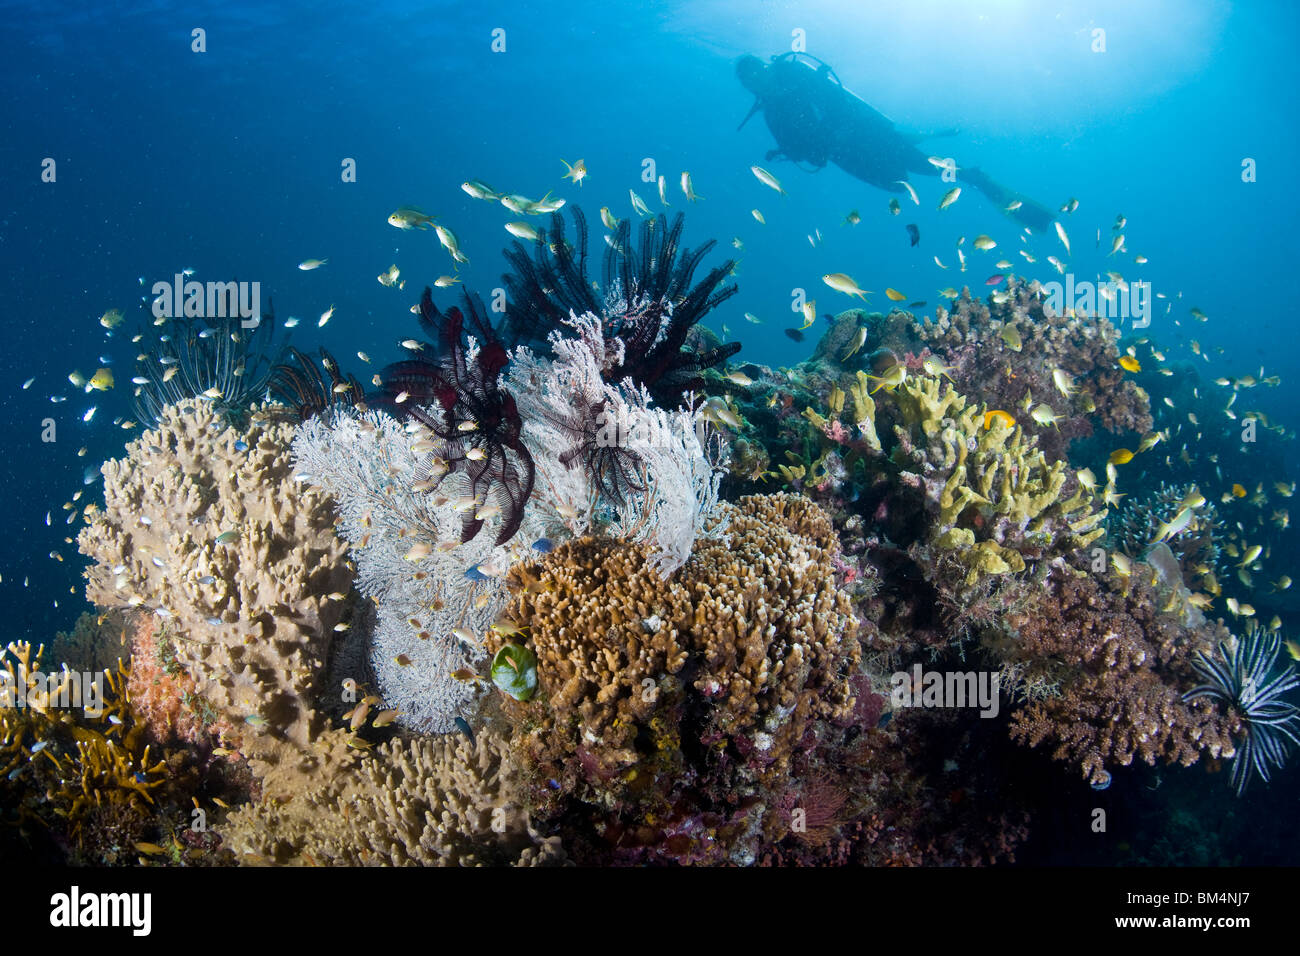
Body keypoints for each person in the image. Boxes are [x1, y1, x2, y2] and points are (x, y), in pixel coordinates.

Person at [737, 53, 1055, 232]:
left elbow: (836, 99)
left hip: (866, 134)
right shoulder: (771, 112)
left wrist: (830, 133)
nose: (758, 81)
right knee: (906, 178)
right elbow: (805, 154)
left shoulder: (795, 74)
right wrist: (791, 150)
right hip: (850, 157)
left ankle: (973, 177)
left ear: (764, 67)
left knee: (921, 165)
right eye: (751, 81)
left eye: (758, 73)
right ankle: (971, 176)